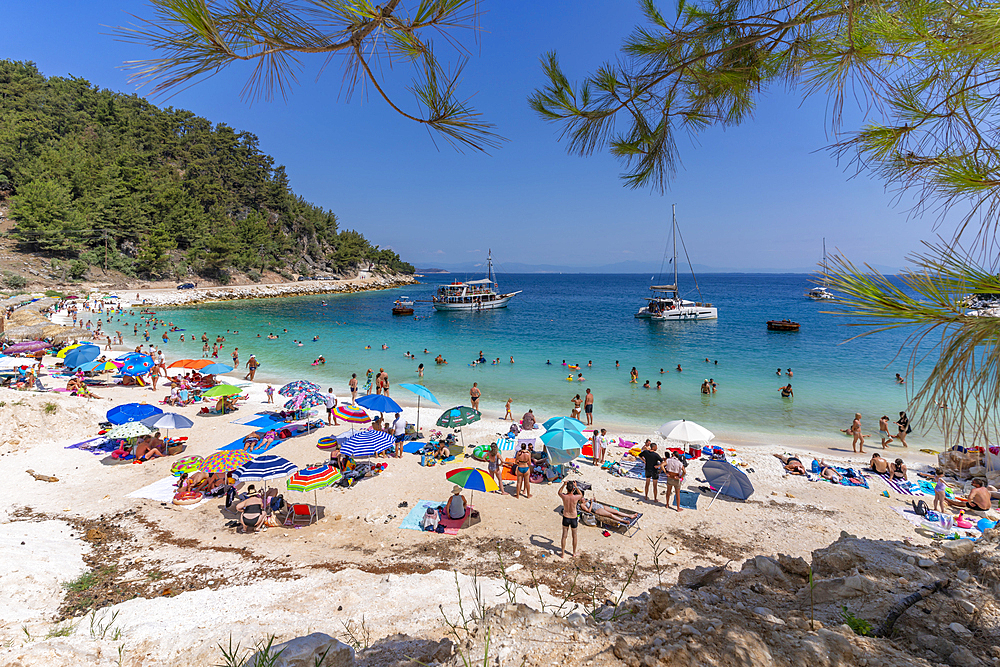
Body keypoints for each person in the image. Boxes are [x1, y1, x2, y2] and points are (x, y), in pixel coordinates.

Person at [558, 480, 584, 558]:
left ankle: (562, 553)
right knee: (574, 536)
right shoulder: (575, 497)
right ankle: (574, 552)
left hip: (566, 517)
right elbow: (581, 494)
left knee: (564, 536)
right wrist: (576, 486)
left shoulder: (564, 496)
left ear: (566, 488)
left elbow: (559, 492)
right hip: (573, 517)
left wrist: (563, 485)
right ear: (573, 489)